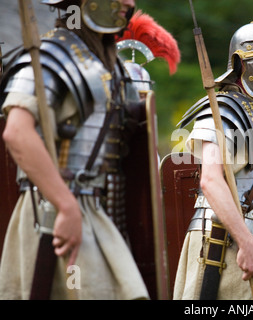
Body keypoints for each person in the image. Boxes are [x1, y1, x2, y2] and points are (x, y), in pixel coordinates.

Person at [0, 0, 150, 299]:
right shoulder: (51, 55)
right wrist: (66, 206)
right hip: (52, 210)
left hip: (97, 210)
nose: (130, 3)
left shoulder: (110, 65)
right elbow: (17, 132)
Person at [173, 21, 253, 300]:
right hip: (219, 238)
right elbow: (211, 181)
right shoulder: (223, 109)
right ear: (245, 63)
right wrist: (246, 243)